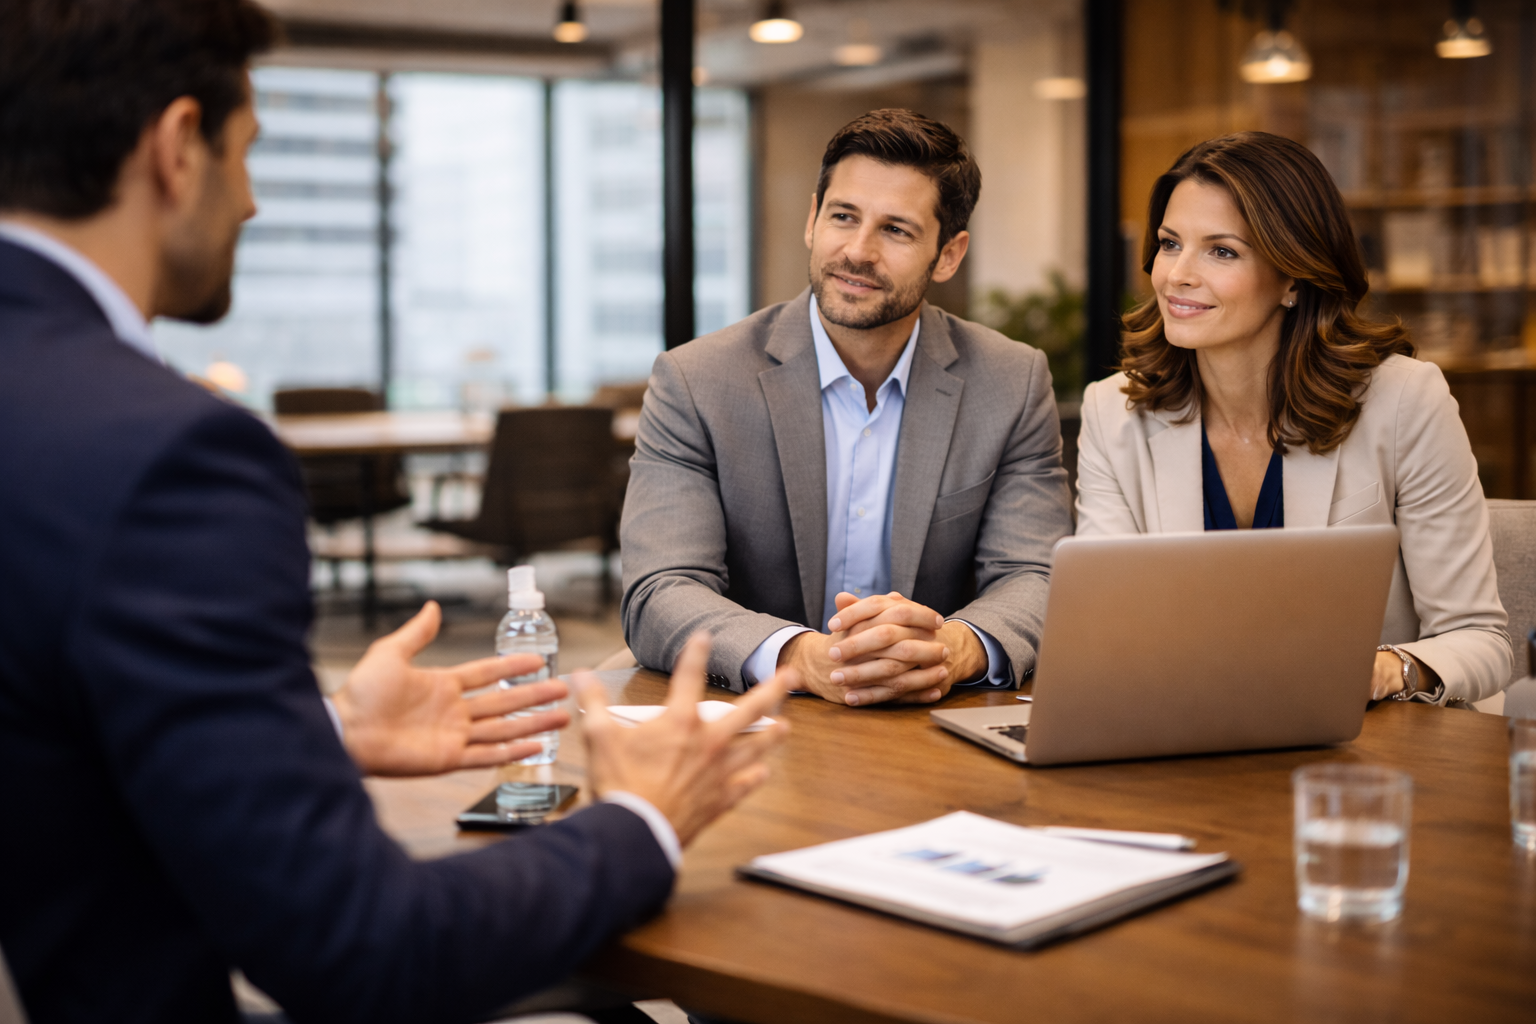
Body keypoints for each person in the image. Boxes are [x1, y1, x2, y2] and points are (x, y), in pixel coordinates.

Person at [0, 2, 791, 1022]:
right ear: (176, 147)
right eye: (246, 152)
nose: (251, 201)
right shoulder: (169, 457)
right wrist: (644, 818)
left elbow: (56, 741)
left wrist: (318, 728)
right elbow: (367, 950)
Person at [621, 109, 1074, 707]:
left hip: (931, 720)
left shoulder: (1010, 382)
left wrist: (954, 647)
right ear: (813, 220)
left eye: (896, 230)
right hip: (754, 721)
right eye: (843, 217)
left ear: (948, 254)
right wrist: (799, 657)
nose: (858, 252)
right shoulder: (697, 380)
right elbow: (660, 588)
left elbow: (1036, 575)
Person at [1075, 131, 1511, 707]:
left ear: (1293, 278)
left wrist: (1384, 669)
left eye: (1222, 251)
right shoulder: (1113, 411)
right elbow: (1107, 629)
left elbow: (1481, 640)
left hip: (1367, 740)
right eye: (1170, 243)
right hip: (1186, 729)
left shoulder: (1405, 401)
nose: (1176, 274)